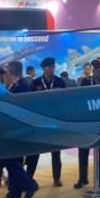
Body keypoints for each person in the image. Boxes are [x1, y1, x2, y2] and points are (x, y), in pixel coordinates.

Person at [0, 61, 38, 198]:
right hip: (14, 128)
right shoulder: (16, 86)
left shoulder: (22, 87)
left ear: (10, 72)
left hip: (19, 129)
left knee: (8, 158)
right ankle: (14, 193)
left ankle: (29, 184)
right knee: (14, 160)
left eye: (6, 72)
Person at [31, 57, 66, 186]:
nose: (52, 69)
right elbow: (31, 101)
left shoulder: (60, 82)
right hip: (40, 121)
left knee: (56, 151)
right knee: (35, 151)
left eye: (53, 67)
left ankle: (57, 178)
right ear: (43, 68)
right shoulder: (35, 83)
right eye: (49, 67)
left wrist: (59, 92)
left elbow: (65, 99)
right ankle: (29, 177)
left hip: (55, 120)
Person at [75, 60, 100, 189]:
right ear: (94, 70)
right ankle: (82, 178)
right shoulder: (85, 82)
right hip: (87, 124)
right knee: (83, 151)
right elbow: (81, 101)